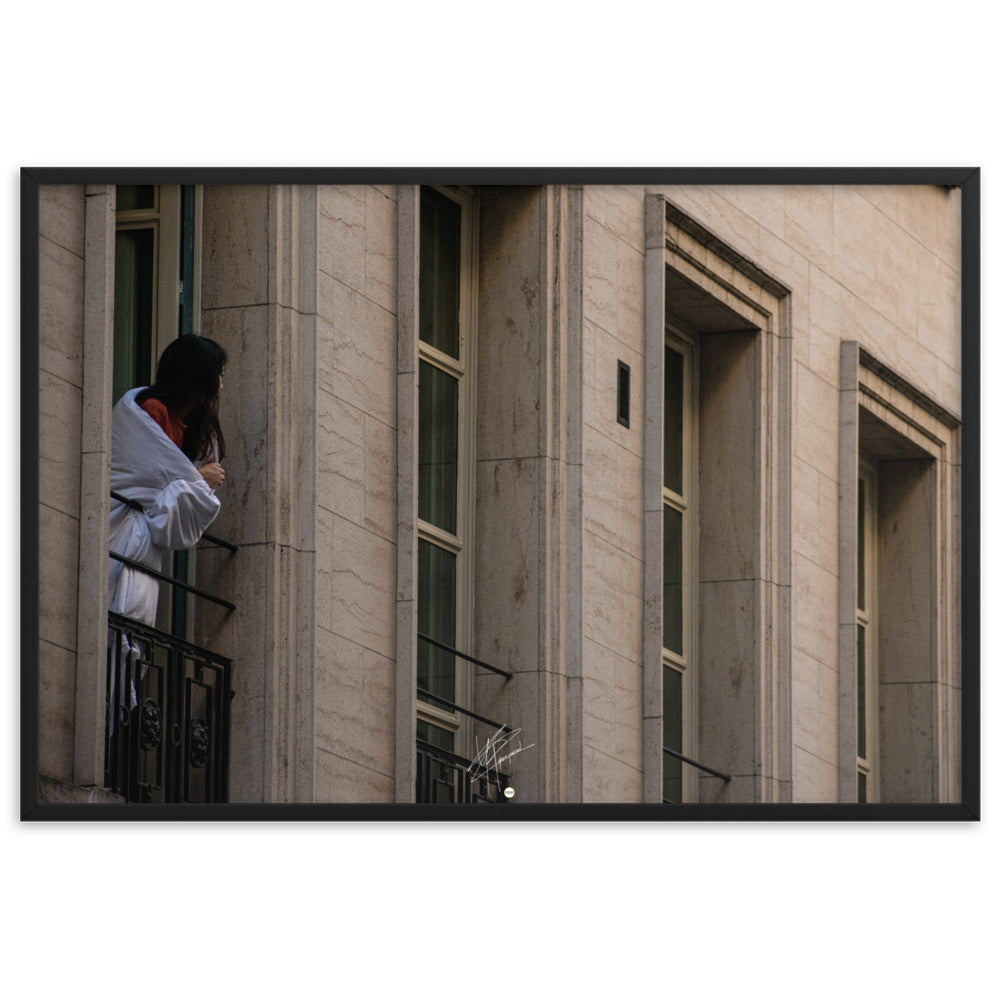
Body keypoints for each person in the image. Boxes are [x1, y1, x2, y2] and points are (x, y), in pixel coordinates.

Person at [108, 335, 228, 627]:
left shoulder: (187, 425)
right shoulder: (154, 410)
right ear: (199, 374)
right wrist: (198, 479)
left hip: (145, 540)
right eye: (218, 373)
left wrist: (192, 482)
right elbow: (148, 478)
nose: (222, 382)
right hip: (125, 528)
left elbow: (167, 482)